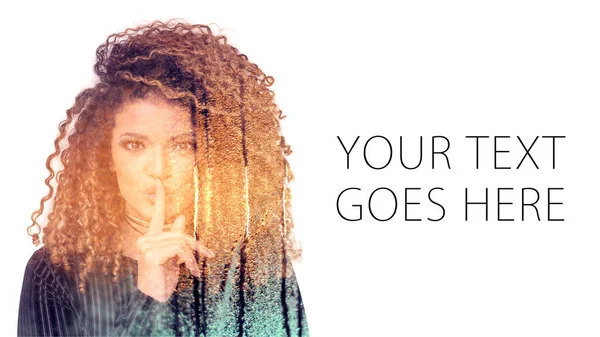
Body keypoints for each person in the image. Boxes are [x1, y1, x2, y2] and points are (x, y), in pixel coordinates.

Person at [17, 20, 308, 337]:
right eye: (134, 145)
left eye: (183, 145)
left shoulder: (256, 271)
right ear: (106, 156)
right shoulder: (55, 273)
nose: (158, 169)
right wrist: (150, 297)